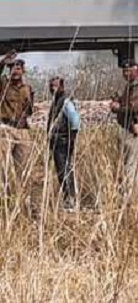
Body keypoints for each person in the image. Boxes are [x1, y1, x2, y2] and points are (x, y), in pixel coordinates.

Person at [110, 58, 138, 203]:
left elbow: (133, 108)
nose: (126, 73)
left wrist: (118, 107)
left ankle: (130, 197)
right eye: (124, 71)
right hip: (128, 127)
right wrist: (119, 100)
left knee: (132, 163)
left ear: (136, 70)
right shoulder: (130, 86)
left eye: (129, 70)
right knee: (134, 162)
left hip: (134, 128)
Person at [0, 52, 34, 193]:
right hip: (6, 128)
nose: (15, 70)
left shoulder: (28, 89)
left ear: (23, 71)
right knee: (3, 167)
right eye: (12, 67)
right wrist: (2, 62)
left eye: (18, 68)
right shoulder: (3, 85)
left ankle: (18, 198)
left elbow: (29, 110)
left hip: (22, 131)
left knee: (22, 168)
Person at [47, 76, 80, 210]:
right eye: (51, 86)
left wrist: (71, 138)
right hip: (57, 140)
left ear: (62, 87)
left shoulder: (65, 101)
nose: (53, 89)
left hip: (62, 140)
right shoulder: (57, 101)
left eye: (55, 86)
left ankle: (70, 200)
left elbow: (75, 119)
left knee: (64, 170)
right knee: (62, 170)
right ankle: (68, 199)